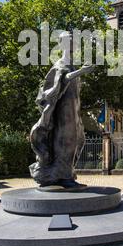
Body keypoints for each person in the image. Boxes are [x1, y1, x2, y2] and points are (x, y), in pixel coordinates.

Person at [29, 33, 94, 188]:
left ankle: (66, 173)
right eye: (71, 41)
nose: (74, 43)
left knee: (76, 139)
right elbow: (60, 81)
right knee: (65, 140)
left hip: (73, 109)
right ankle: (64, 176)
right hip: (63, 111)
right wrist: (81, 72)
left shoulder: (71, 65)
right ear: (63, 43)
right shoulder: (60, 64)